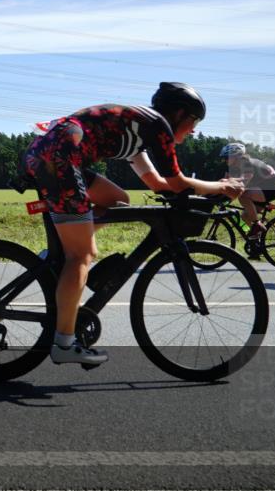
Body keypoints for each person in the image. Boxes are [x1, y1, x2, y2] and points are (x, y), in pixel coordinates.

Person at [21, 83, 244, 366]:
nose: (193, 131)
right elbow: (176, 182)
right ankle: (64, 343)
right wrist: (220, 187)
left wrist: (208, 189)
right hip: (60, 159)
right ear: (179, 114)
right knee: (82, 255)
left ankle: (57, 258)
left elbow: (158, 184)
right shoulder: (157, 125)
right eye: (194, 122)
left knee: (117, 199)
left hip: (54, 154)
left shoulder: (138, 131)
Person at [219, 143, 275, 249]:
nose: (224, 160)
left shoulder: (246, 163)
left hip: (273, 188)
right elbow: (224, 185)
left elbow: (243, 184)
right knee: (245, 216)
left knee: (243, 195)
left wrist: (229, 190)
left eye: (226, 158)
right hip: (260, 189)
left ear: (236, 156)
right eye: (223, 158)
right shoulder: (232, 167)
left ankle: (257, 225)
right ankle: (256, 243)